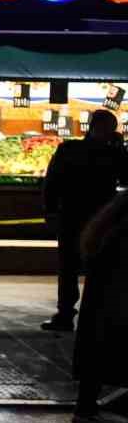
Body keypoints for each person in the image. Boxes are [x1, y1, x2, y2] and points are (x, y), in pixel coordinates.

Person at [41, 109, 128, 332]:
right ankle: (90, 317)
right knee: (96, 267)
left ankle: (66, 314)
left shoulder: (70, 149)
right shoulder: (111, 154)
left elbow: (51, 183)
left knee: (69, 267)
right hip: (98, 219)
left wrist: (50, 212)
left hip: (75, 216)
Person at [72, 190, 128, 423]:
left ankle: (85, 407)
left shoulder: (113, 216)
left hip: (103, 303)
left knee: (95, 352)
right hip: (118, 301)